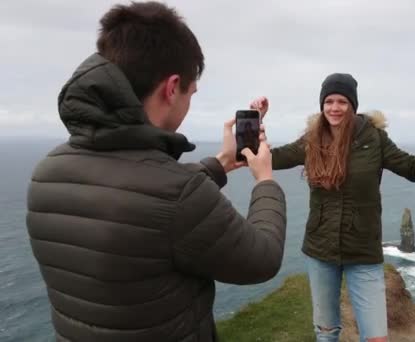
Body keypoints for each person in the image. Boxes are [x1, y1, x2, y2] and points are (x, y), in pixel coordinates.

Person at [26, 2, 286, 341]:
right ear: (171, 86)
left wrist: (221, 162)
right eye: (191, 93)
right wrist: (265, 180)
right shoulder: (178, 193)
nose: (189, 102)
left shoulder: (47, 172)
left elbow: (143, 196)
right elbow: (261, 258)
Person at [250, 73, 415, 342]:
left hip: (363, 249)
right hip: (320, 248)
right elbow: (268, 159)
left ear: (353, 104)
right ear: (322, 105)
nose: (334, 107)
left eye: (342, 101)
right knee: (326, 332)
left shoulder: (375, 139)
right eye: (329, 101)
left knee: (376, 337)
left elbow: (413, 170)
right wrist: (256, 121)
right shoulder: (312, 140)